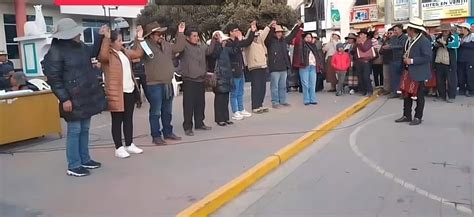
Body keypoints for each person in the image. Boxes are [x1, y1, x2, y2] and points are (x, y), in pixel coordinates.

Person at [43, 18, 107, 177]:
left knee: (84, 129)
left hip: (85, 95)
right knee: (75, 130)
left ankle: (85, 159)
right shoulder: (56, 51)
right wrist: (64, 98)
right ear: (67, 35)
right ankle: (74, 165)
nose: (79, 34)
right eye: (76, 32)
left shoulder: (80, 47)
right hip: (71, 98)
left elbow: (93, 51)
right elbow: (54, 78)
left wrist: (100, 37)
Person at [98, 27, 144, 158]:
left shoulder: (124, 52)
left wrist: (139, 38)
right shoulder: (108, 56)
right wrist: (106, 38)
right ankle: (118, 147)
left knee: (128, 119)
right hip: (116, 92)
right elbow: (102, 56)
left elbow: (138, 54)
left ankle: (129, 144)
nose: (121, 43)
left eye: (121, 40)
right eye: (118, 40)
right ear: (111, 42)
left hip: (129, 90)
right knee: (117, 121)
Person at [141, 21, 186, 145]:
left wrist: (181, 33)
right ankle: (156, 135)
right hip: (154, 85)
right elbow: (137, 52)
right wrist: (138, 38)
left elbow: (179, 47)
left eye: (162, 33)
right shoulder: (145, 45)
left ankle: (167, 132)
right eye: (158, 34)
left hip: (167, 83)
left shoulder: (166, 45)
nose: (161, 36)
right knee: (155, 112)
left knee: (167, 110)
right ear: (151, 35)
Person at [395, 18, 433, 126]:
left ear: (413, 30)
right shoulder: (408, 40)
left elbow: (427, 57)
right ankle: (407, 115)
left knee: (419, 96)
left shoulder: (424, 41)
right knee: (406, 94)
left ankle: (418, 117)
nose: (407, 30)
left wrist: (411, 60)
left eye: (408, 29)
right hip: (408, 72)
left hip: (419, 73)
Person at [178, 27, 215, 136]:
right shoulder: (184, 46)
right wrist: (180, 33)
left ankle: (199, 123)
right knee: (189, 105)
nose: (196, 38)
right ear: (188, 37)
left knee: (200, 103)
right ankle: (187, 127)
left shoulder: (201, 46)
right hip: (189, 80)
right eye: (193, 36)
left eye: (197, 35)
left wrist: (213, 40)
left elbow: (209, 51)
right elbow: (176, 49)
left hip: (200, 79)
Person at [265, 21, 302, 108]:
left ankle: (283, 101)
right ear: (274, 33)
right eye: (277, 32)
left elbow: (292, 35)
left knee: (283, 86)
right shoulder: (270, 41)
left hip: (283, 67)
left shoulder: (284, 41)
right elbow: (267, 38)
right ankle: (275, 102)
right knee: (275, 87)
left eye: (280, 32)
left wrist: (298, 26)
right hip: (274, 68)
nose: (279, 34)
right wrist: (272, 27)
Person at [225, 21, 256, 120]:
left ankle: (241, 109)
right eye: (235, 31)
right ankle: (235, 111)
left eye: (238, 30)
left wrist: (252, 31)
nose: (237, 32)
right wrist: (238, 40)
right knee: (234, 92)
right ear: (230, 32)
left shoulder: (237, 41)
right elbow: (233, 52)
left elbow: (247, 42)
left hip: (241, 68)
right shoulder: (228, 43)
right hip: (233, 70)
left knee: (240, 91)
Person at [244, 20, 274, 114]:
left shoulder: (260, 42)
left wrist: (269, 26)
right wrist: (252, 29)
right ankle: (255, 106)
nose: (256, 37)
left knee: (262, 87)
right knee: (256, 87)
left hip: (262, 65)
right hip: (254, 66)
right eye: (255, 36)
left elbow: (264, 34)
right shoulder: (248, 43)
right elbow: (249, 38)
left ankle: (260, 104)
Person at [210, 32, 235, 126]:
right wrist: (219, 44)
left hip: (227, 74)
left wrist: (235, 40)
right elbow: (214, 55)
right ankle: (219, 118)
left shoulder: (226, 49)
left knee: (225, 98)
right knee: (219, 98)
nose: (224, 42)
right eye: (223, 40)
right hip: (219, 75)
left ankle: (225, 117)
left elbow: (235, 51)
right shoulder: (215, 49)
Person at [433, 23, 460, 103]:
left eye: (446, 30)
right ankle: (442, 95)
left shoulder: (455, 36)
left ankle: (452, 96)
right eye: (443, 30)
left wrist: (445, 43)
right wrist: (436, 44)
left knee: (451, 80)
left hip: (449, 62)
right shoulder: (438, 36)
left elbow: (456, 45)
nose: (444, 31)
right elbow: (432, 45)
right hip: (439, 61)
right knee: (440, 80)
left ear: (449, 30)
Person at [381, 24, 408, 98]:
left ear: (400, 30)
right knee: (393, 76)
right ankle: (395, 92)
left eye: (396, 30)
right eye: (394, 30)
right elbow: (391, 45)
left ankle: (402, 92)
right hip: (392, 59)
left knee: (401, 76)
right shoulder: (393, 38)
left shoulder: (405, 38)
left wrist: (390, 46)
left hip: (400, 59)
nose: (394, 31)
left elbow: (402, 46)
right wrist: (387, 46)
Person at [294, 32, 321, 105]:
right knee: (305, 84)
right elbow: (298, 40)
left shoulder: (314, 46)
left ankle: (313, 99)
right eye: (307, 37)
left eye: (310, 37)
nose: (309, 38)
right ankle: (306, 99)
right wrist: (300, 29)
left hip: (313, 66)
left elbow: (317, 56)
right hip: (304, 66)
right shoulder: (301, 45)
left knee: (312, 84)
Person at [354, 29, 374, 96]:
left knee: (366, 77)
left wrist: (360, 43)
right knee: (360, 77)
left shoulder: (369, 42)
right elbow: (354, 51)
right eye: (360, 34)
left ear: (365, 35)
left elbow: (364, 49)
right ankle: (363, 90)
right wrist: (356, 44)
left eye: (362, 34)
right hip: (358, 61)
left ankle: (369, 91)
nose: (360, 35)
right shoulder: (358, 42)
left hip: (366, 61)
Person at [456, 23, 474, 97]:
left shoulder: (472, 36)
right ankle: (462, 89)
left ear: (466, 29)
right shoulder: (459, 37)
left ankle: (471, 90)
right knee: (461, 75)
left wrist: (463, 44)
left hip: (469, 59)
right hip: (460, 60)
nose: (460, 29)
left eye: (462, 28)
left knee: (470, 75)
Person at [379, 30, 393, 95]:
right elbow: (380, 51)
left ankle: (391, 90)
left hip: (392, 61)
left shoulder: (395, 41)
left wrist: (389, 48)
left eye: (391, 33)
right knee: (386, 76)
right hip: (386, 61)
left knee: (392, 76)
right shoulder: (386, 41)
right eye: (388, 33)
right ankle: (386, 89)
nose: (389, 34)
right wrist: (385, 48)